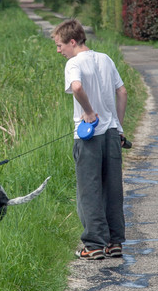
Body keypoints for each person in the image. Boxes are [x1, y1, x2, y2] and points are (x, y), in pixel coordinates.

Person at [52, 19, 127, 260]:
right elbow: (122, 92)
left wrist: (89, 111)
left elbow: (76, 87)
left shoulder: (74, 63)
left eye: (59, 45)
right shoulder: (105, 59)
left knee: (89, 190)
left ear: (72, 42)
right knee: (113, 189)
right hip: (112, 134)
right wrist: (119, 125)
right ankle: (114, 243)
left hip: (89, 135)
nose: (58, 50)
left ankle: (94, 245)